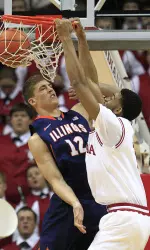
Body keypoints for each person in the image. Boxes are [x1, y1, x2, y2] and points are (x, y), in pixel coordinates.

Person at [55, 18, 150, 250]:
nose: (104, 97)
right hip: (129, 218)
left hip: (123, 218)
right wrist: (83, 41)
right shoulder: (112, 126)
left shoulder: (114, 124)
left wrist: (67, 39)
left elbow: (79, 82)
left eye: (110, 99)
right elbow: (90, 80)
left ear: (117, 109)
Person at [23, 70, 107, 249]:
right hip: (68, 204)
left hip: (97, 198)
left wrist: (87, 88)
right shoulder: (37, 138)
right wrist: (75, 203)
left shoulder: (78, 113)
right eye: (43, 89)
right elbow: (55, 179)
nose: (50, 89)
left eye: (50, 86)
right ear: (33, 101)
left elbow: (108, 94)